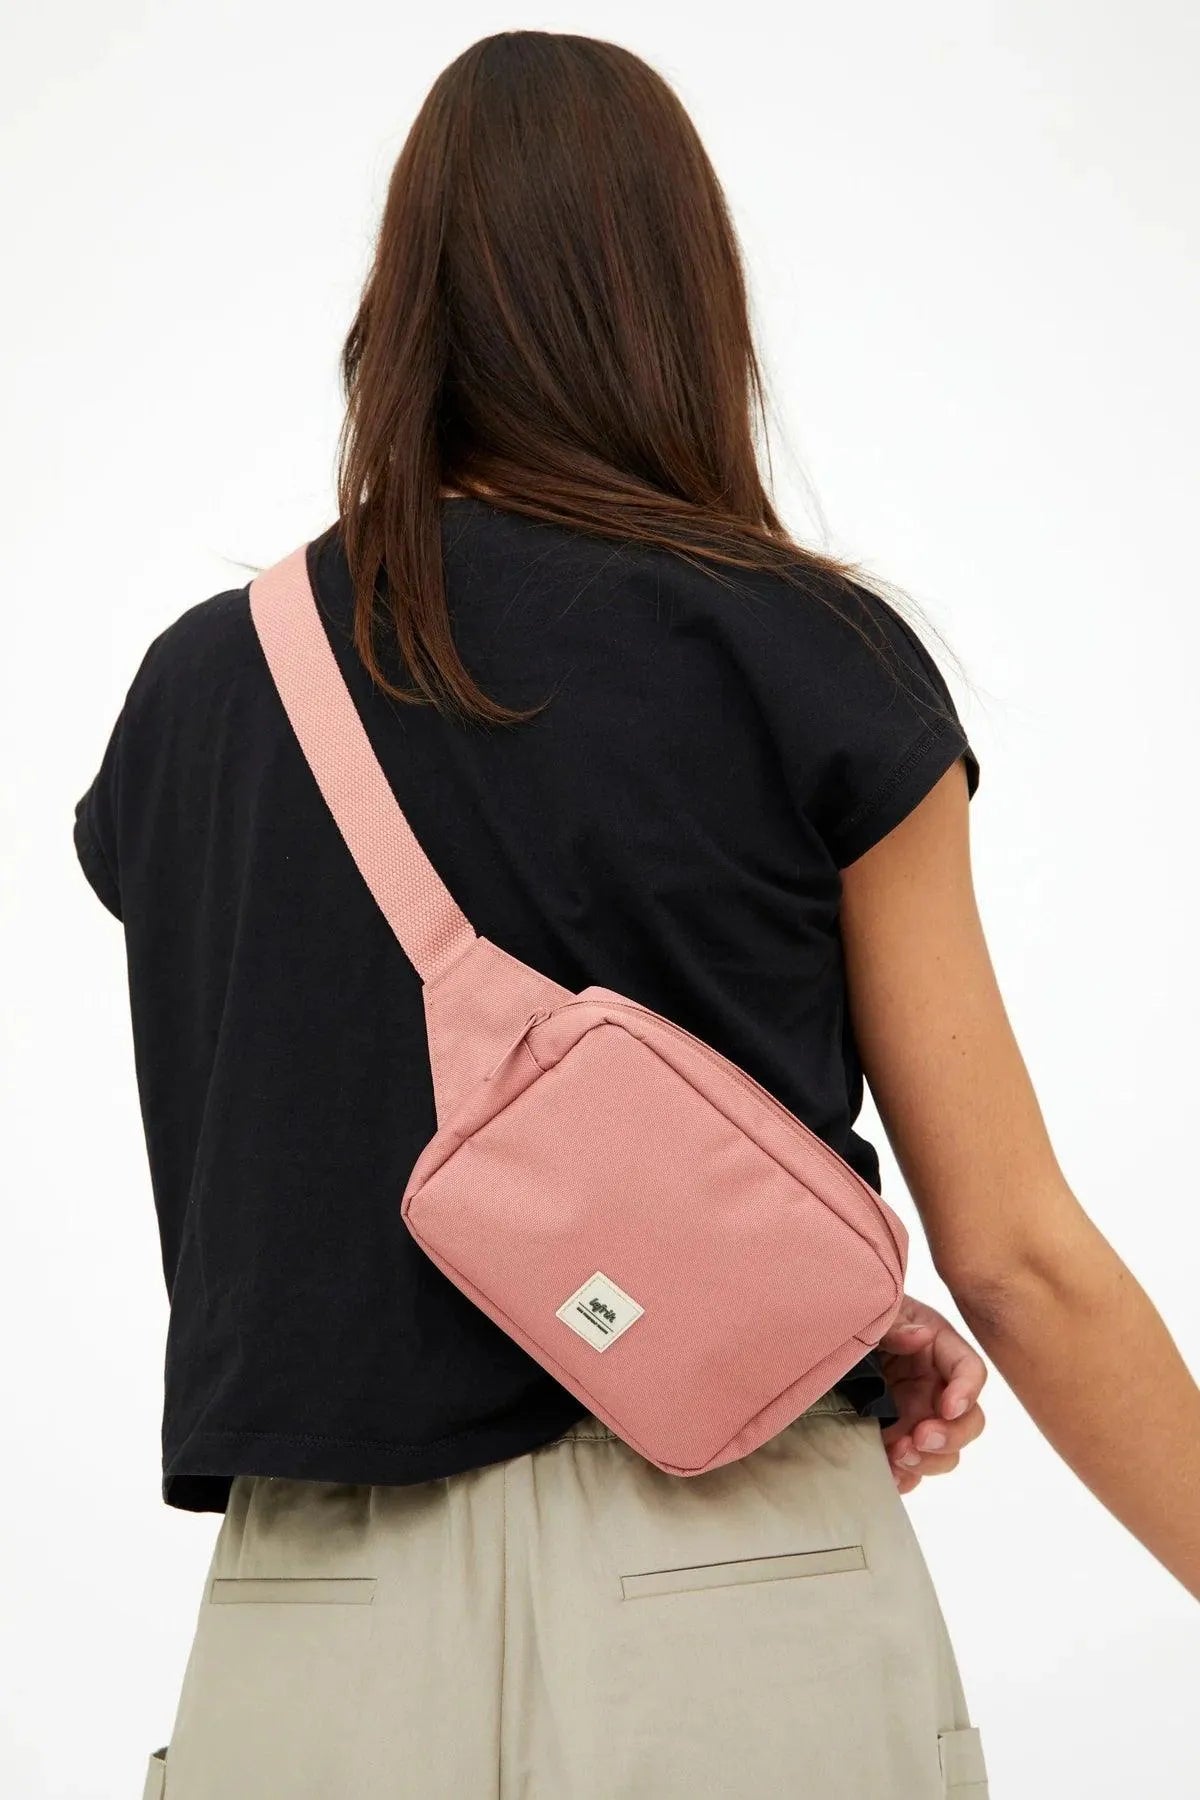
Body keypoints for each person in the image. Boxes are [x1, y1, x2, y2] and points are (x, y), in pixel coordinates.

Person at [72, 30, 1198, 1800]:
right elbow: (1016, 1259)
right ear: (685, 300)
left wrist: (806, 1303)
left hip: (307, 1627)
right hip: (737, 1581)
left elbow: (310, 1146)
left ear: (405, 301)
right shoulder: (796, 655)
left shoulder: (196, 696)